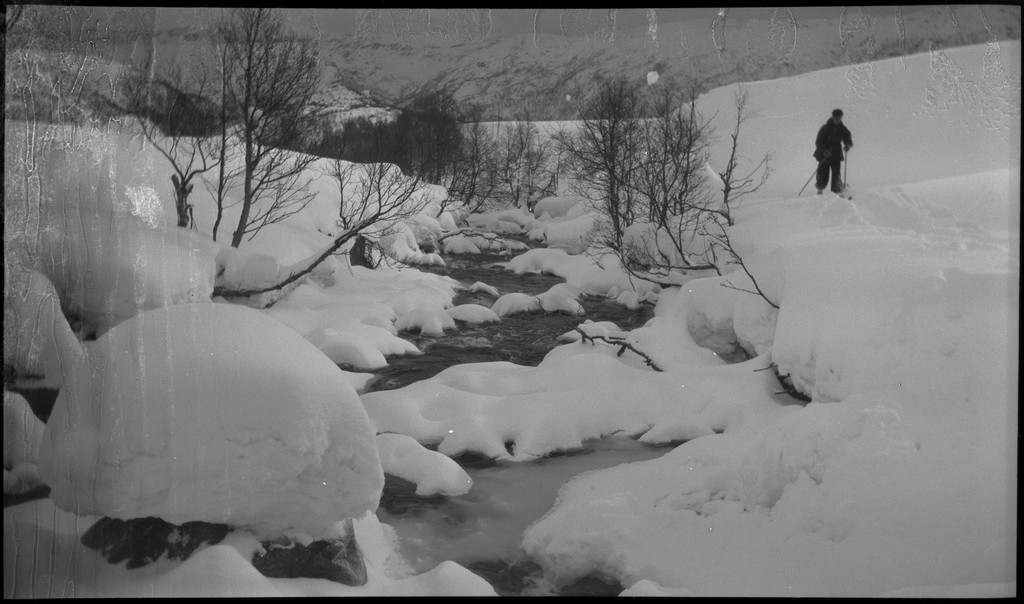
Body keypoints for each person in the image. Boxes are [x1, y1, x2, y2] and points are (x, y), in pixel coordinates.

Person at [813, 108, 853, 194]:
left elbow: (848, 138)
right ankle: (820, 191)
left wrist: (847, 145)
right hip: (824, 155)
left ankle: (837, 192)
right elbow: (818, 142)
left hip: (836, 154)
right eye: (836, 118)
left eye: (840, 118)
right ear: (833, 117)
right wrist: (824, 150)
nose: (838, 119)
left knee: (836, 174)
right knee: (822, 173)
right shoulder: (824, 128)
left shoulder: (843, 129)